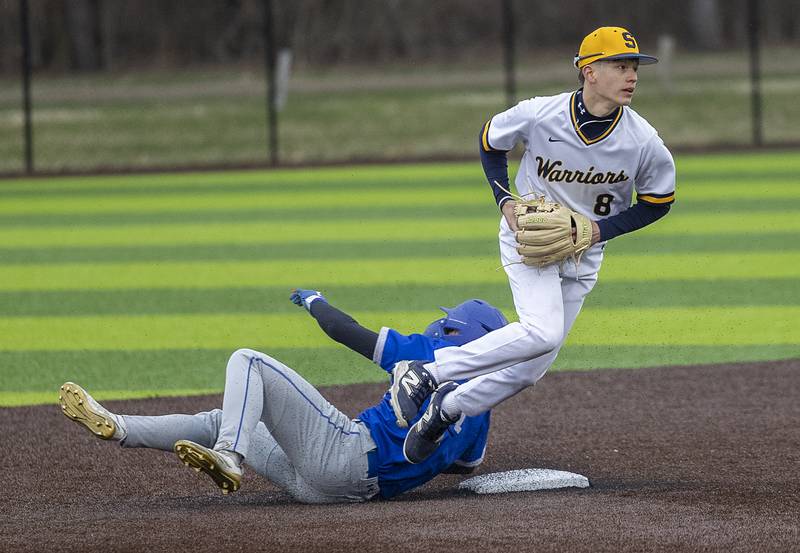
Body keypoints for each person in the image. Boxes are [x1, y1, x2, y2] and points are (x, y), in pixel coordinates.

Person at [391, 26, 676, 462]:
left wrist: (600, 232)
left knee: (530, 369)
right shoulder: (541, 114)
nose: (631, 75)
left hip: (583, 255)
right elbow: (490, 140)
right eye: (620, 65)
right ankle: (424, 374)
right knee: (541, 331)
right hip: (529, 241)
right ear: (589, 71)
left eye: (634, 66)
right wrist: (504, 200)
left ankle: (445, 410)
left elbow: (658, 201)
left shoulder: (642, 140)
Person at [59, 289, 508, 503]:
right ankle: (118, 426)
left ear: (457, 331)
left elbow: (346, 331)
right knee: (227, 418)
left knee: (247, 360)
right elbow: (466, 467)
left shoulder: (431, 352)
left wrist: (316, 301)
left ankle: (231, 456)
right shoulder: (482, 408)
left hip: (344, 454)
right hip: (336, 493)